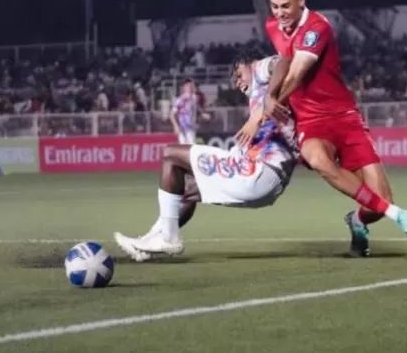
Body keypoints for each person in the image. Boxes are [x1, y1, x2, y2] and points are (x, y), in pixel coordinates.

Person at [256, 0, 407, 256]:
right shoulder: (273, 26)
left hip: (345, 118)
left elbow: (296, 74)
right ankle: (394, 214)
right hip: (310, 121)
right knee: (318, 159)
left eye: (286, 6)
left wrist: (271, 104)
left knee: (378, 201)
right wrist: (269, 97)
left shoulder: (317, 28)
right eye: (274, 6)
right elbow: (283, 63)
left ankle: (357, 220)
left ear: (301, 0)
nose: (280, 13)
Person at [114, 51, 298, 261]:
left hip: (258, 171)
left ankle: (168, 238)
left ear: (248, 63)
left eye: (238, 74)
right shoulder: (263, 95)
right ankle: (148, 243)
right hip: (266, 180)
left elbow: (284, 61)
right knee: (182, 189)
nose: (238, 82)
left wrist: (269, 98)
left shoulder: (259, 69)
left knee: (170, 155)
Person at [170, 79, 199, 144]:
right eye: (188, 86)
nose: (190, 87)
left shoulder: (194, 98)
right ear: (184, 88)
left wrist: (202, 114)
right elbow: (172, 115)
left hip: (191, 126)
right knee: (185, 147)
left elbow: (195, 110)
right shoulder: (180, 100)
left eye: (191, 85)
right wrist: (176, 126)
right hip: (182, 127)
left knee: (192, 146)